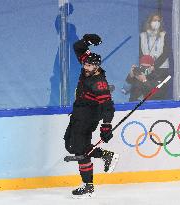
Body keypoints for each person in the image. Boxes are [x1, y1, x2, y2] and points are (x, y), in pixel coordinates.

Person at [64, 34, 119, 199]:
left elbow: (107, 106)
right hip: (78, 114)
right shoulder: (87, 66)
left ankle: (88, 186)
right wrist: (86, 41)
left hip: (88, 118)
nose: (86, 67)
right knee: (70, 144)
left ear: (97, 66)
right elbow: (77, 48)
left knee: (80, 150)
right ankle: (105, 155)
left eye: (89, 65)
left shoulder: (99, 82)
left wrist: (106, 125)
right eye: (85, 64)